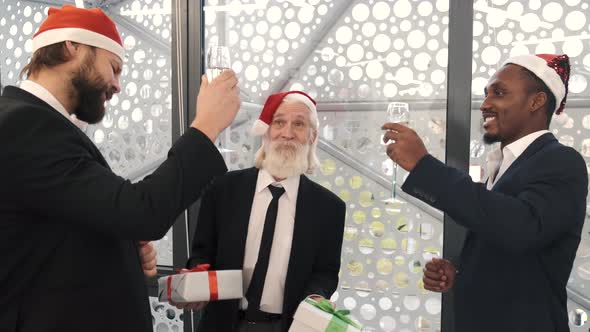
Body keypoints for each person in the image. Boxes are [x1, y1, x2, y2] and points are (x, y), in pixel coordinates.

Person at [0, 5, 240, 332]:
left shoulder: (34, 124)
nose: (117, 86)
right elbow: (139, 211)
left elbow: (52, 230)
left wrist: (119, 244)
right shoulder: (24, 124)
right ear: (73, 46)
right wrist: (204, 128)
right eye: (114, 67)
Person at [382, 53, 588, 332]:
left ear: (536, 102)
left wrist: (424, 167)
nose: (485, 104)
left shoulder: (562, 161)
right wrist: (461, 275)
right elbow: (502, 237)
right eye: (486, 94)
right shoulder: (505, 165)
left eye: (499, 93)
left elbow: (522, 228)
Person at [178, 91, 346, 331]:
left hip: (285, 326)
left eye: (299, 124)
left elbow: (326, 273)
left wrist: (316, 297)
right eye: (279, 122)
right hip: (222, 323)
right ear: (266, 130)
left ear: (312, 136)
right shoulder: (223, 189)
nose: (287, 133)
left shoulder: (330, 208)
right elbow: (202, 252)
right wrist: (197, 278)